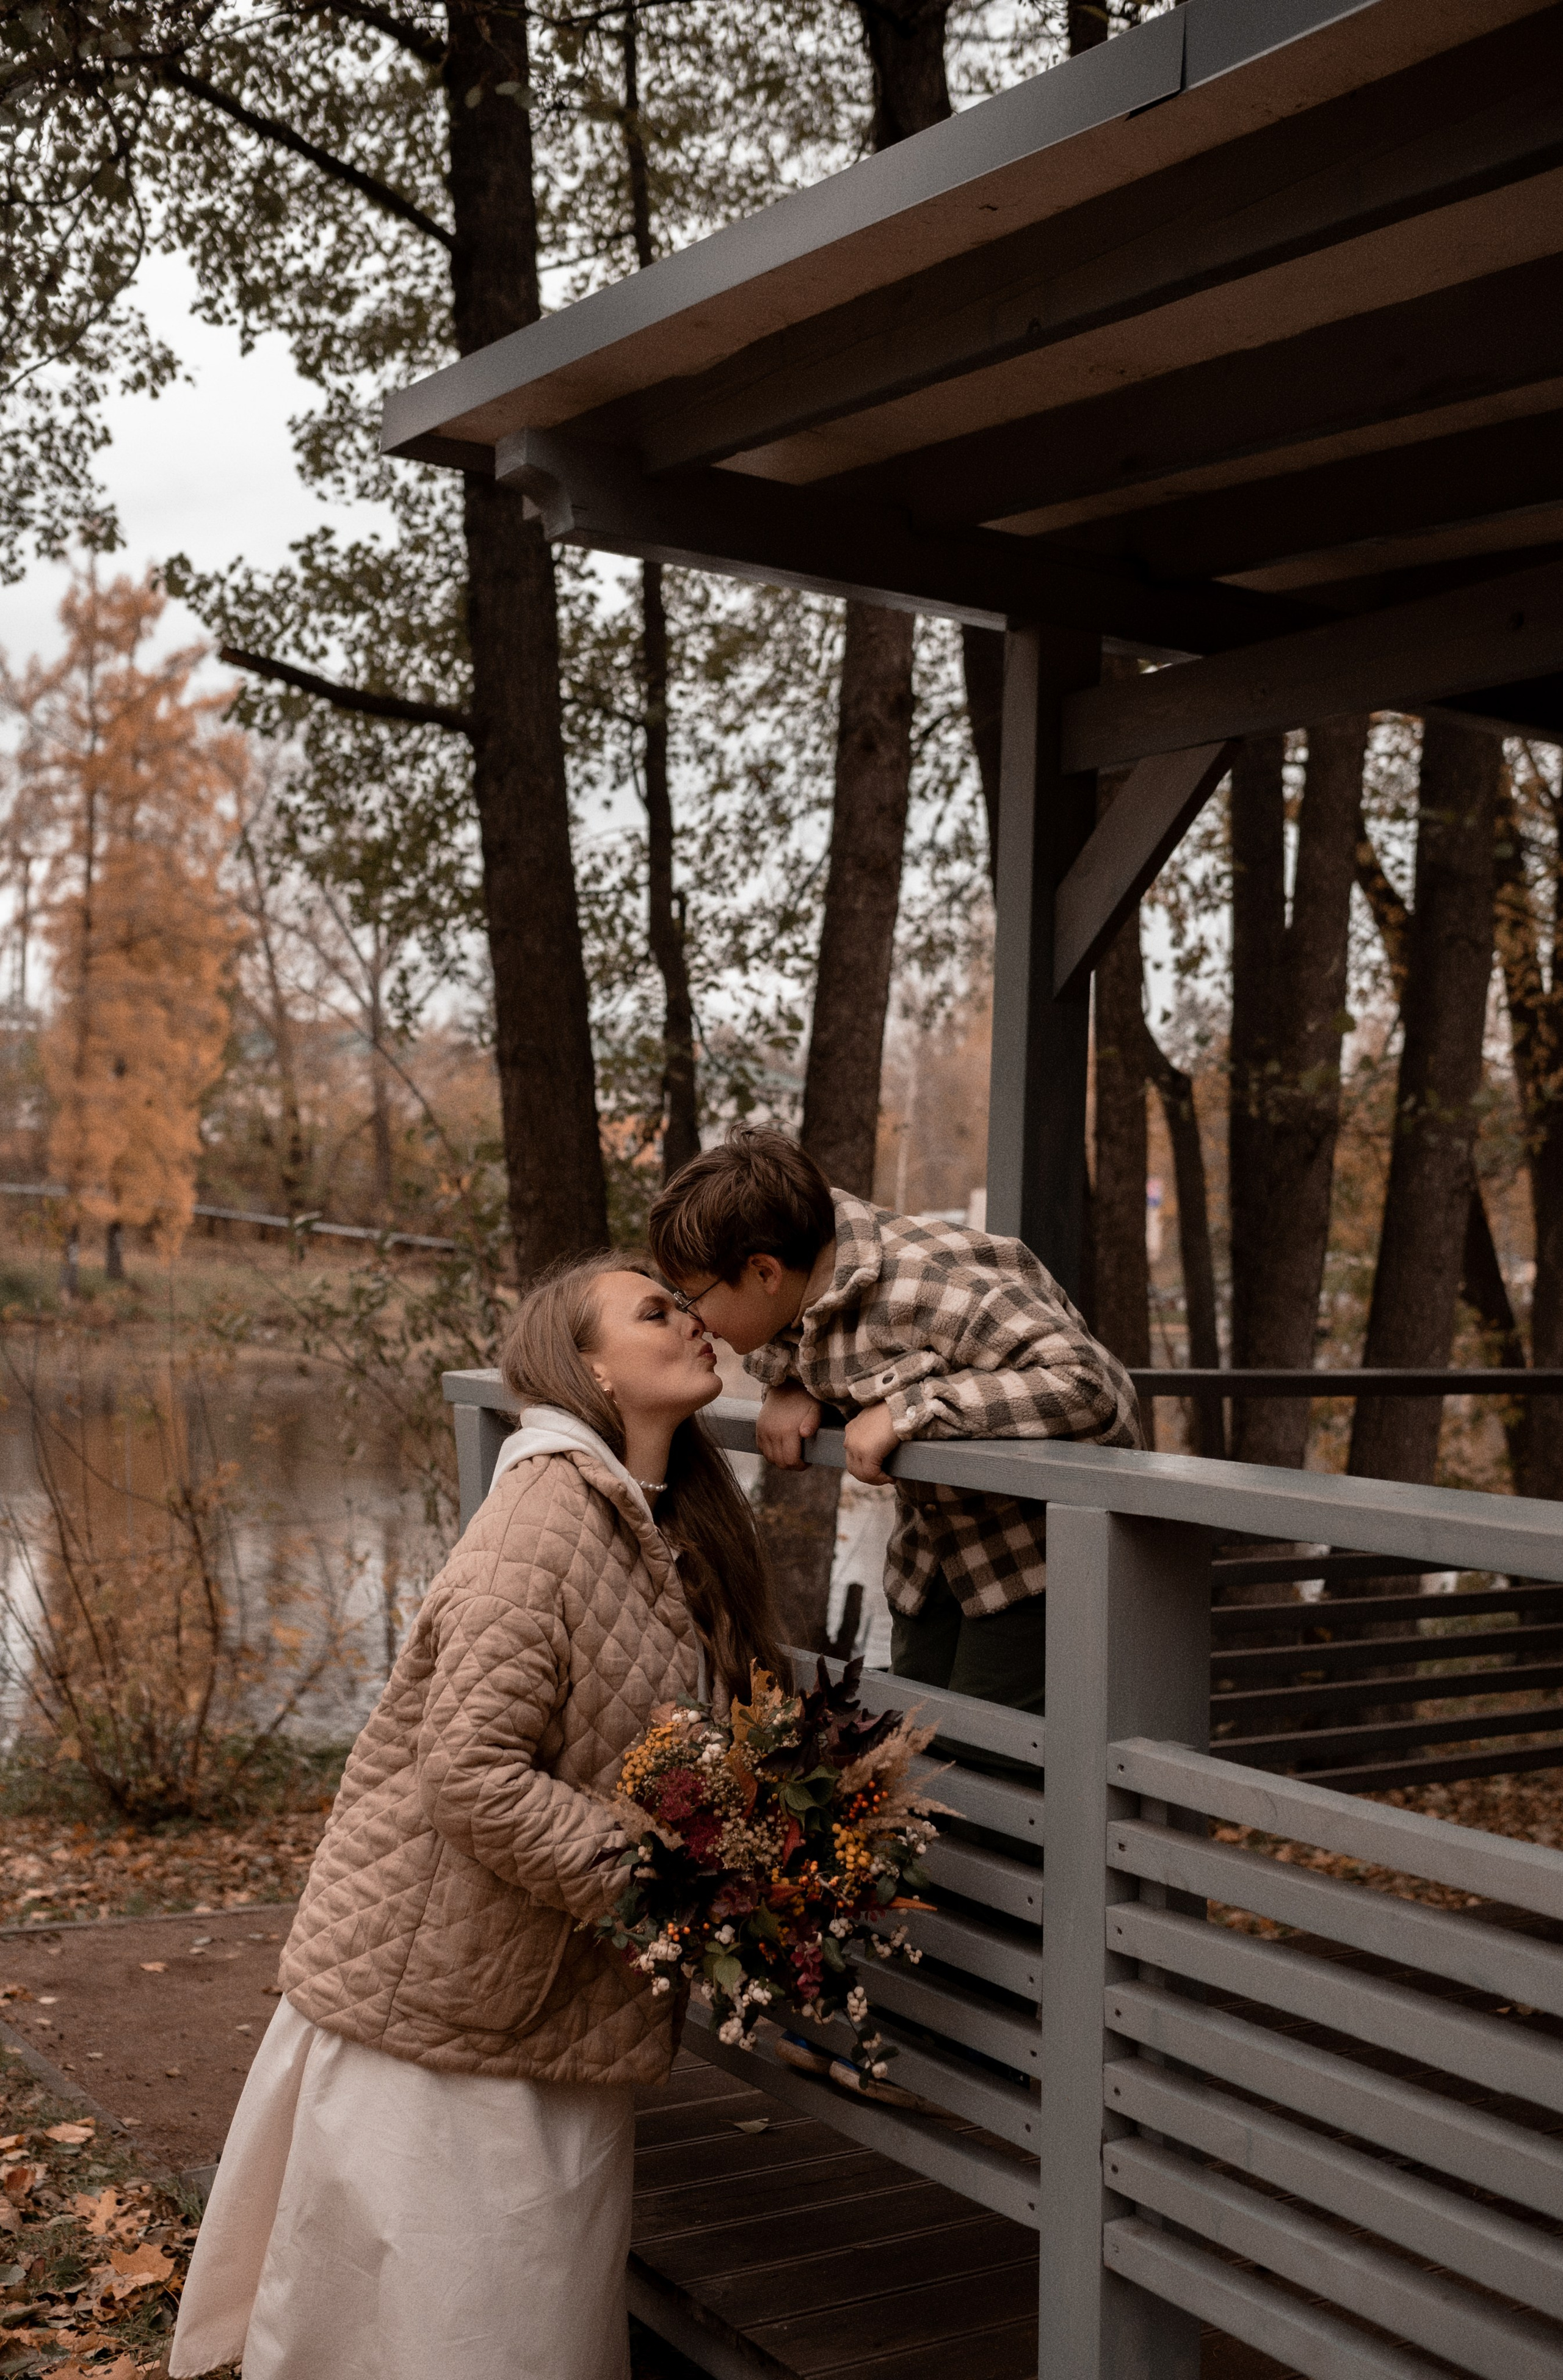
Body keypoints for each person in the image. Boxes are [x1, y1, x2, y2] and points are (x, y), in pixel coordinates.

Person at [170, 1252, 782, 2380]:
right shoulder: (543, 1520)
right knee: (455, 2321)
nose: (693, 1321)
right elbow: (469, 1773)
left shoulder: (655, 1517)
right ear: (587, 1365)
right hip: (456, 1998)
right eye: (656, 1311)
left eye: (688, 1305)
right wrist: (662, 1876)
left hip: (547, 1994)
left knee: (523, 2310)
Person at [647, 1126, 1141, 1719]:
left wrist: (909, 1413)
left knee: (981, 1772)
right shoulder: (804, 1268)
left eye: (691, 1295)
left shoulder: (932, 1286)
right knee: (908, 1748)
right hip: (929, 1562)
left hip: (1033, 1566)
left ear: (763, 1273)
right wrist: (786, 1380)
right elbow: (800, 1331)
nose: (691, 1317)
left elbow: (1089, 1385)